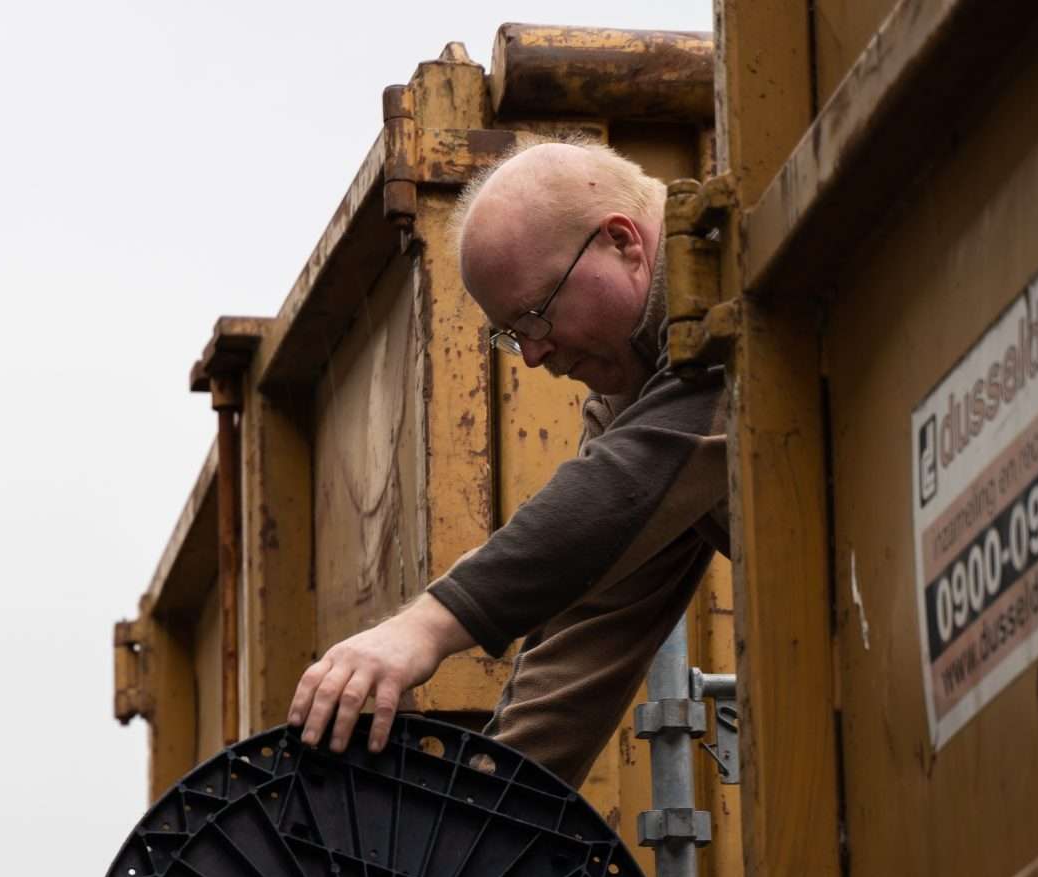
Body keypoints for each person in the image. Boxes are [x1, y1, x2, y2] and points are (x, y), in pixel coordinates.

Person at [286, 140, 728, 778]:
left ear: (622, 241)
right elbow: (584, 640)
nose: (533, 358)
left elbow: (625, 481)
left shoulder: (735, 275)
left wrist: (429, 626)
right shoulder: (627, 396)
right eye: (512, 335)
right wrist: (481, 838)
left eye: (536, 318)